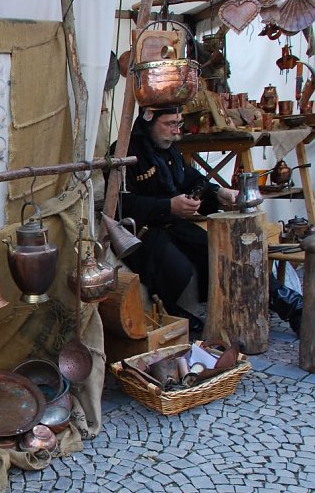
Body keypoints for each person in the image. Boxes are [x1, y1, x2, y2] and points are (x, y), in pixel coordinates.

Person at [109, 105, 304, 336]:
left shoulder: (169, 149)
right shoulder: (123, 150)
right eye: (170, 124)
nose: (175, 131)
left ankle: (292, 306)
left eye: (178, 124)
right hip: (138, 231)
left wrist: (217, 193)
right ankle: (173, 314)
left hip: (173, 225)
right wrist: (168, 206)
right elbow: (121, 205)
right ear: (149, 120)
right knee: (176, 268)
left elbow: (191, 179)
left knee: (225, 251)